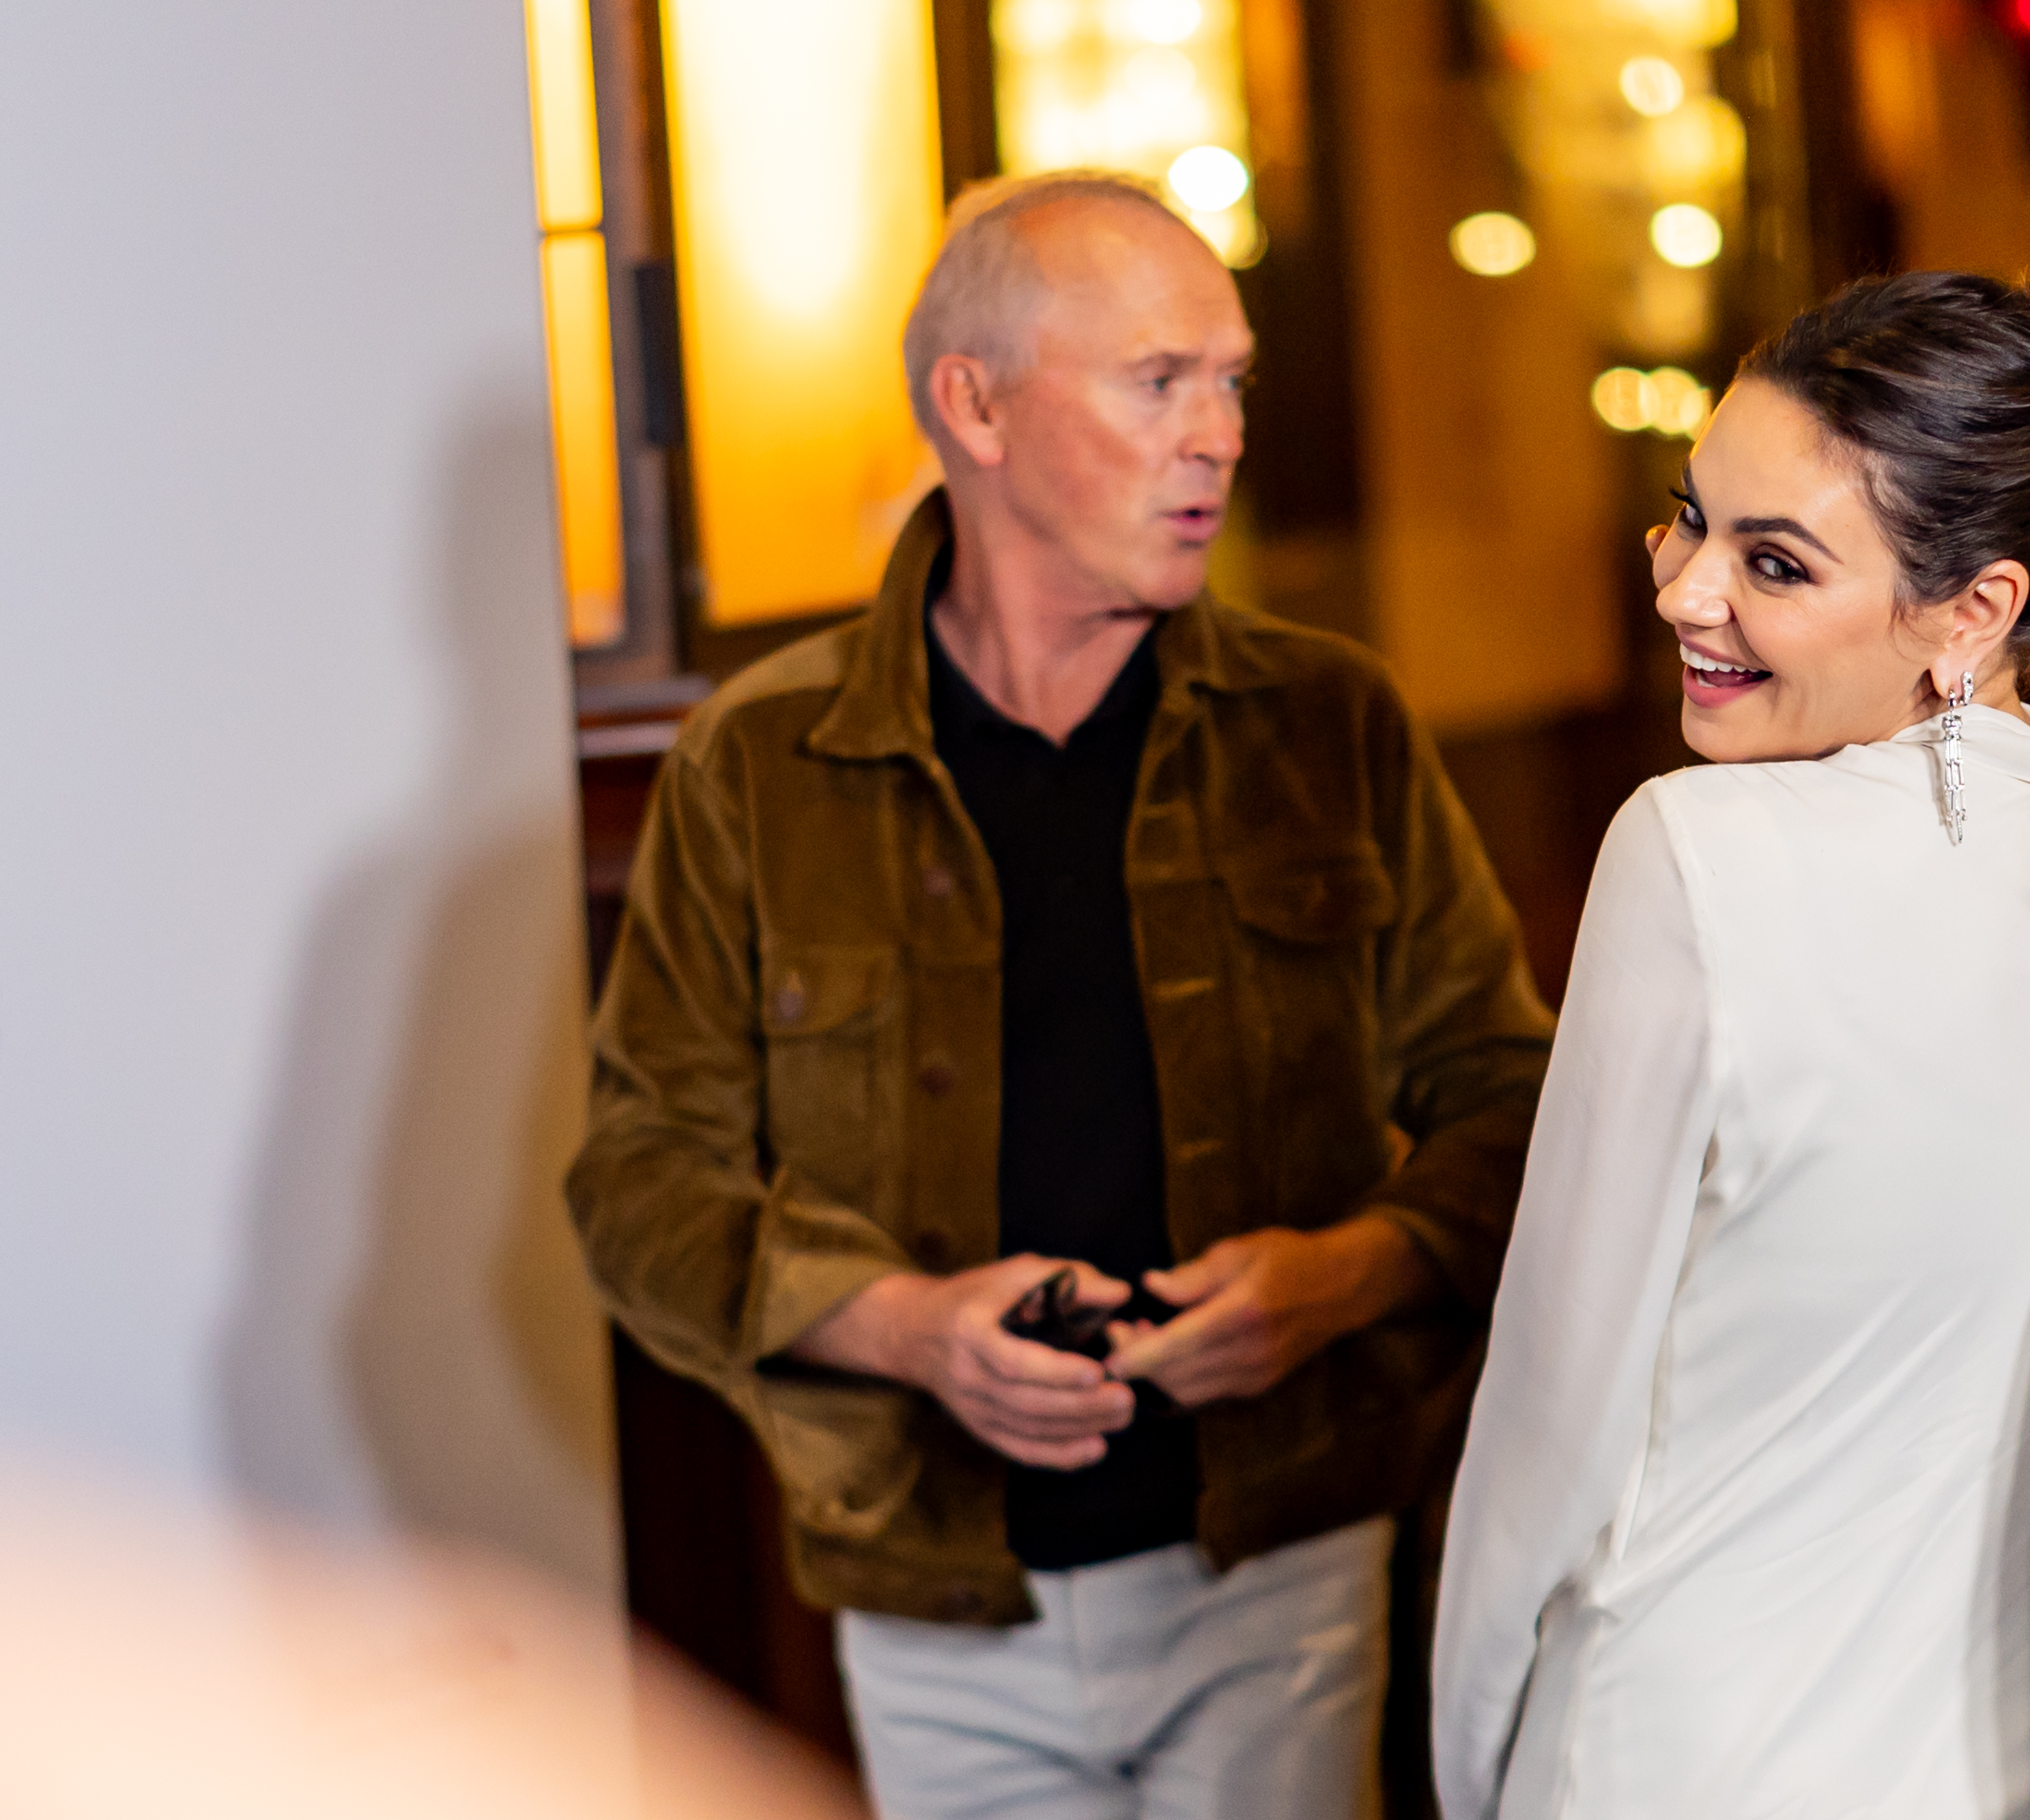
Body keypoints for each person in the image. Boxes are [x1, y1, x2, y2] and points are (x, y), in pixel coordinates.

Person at [565, 171, 1554, 1820]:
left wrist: (1343, 1272)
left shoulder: (1330, 722)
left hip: (1283, 1563)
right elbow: (638, 1179)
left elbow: (1514, 1100)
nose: (1220, 435)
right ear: (975, 405)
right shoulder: (760, 761)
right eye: (1158, 380)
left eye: (1230, 380)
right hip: (937, 1595)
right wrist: (910, 1325)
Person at [1431, 272, 2030, 1820]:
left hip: (1685, 1741)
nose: (1686, 592)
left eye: (1772, 561)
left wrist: (1468, 1738)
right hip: (2028, 1742)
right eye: (1686, 518)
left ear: (1973, 611)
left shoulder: (1691, 853)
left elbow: (1552, 1425)